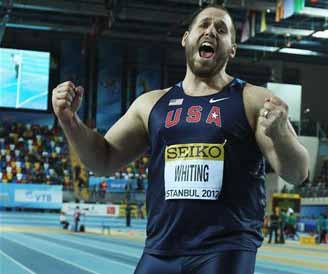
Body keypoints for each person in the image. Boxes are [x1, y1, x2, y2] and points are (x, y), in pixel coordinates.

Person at [51, 4, 309, 274]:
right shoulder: (151, 104)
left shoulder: (253, 100)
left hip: (225, 250)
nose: (211, 31)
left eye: (221, 29)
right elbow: (102, 160)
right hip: (161, 250)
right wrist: (70, 121)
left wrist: (280, 134)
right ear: (186, 38)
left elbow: (298, 172)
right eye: (204, 25)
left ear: (232, 48)